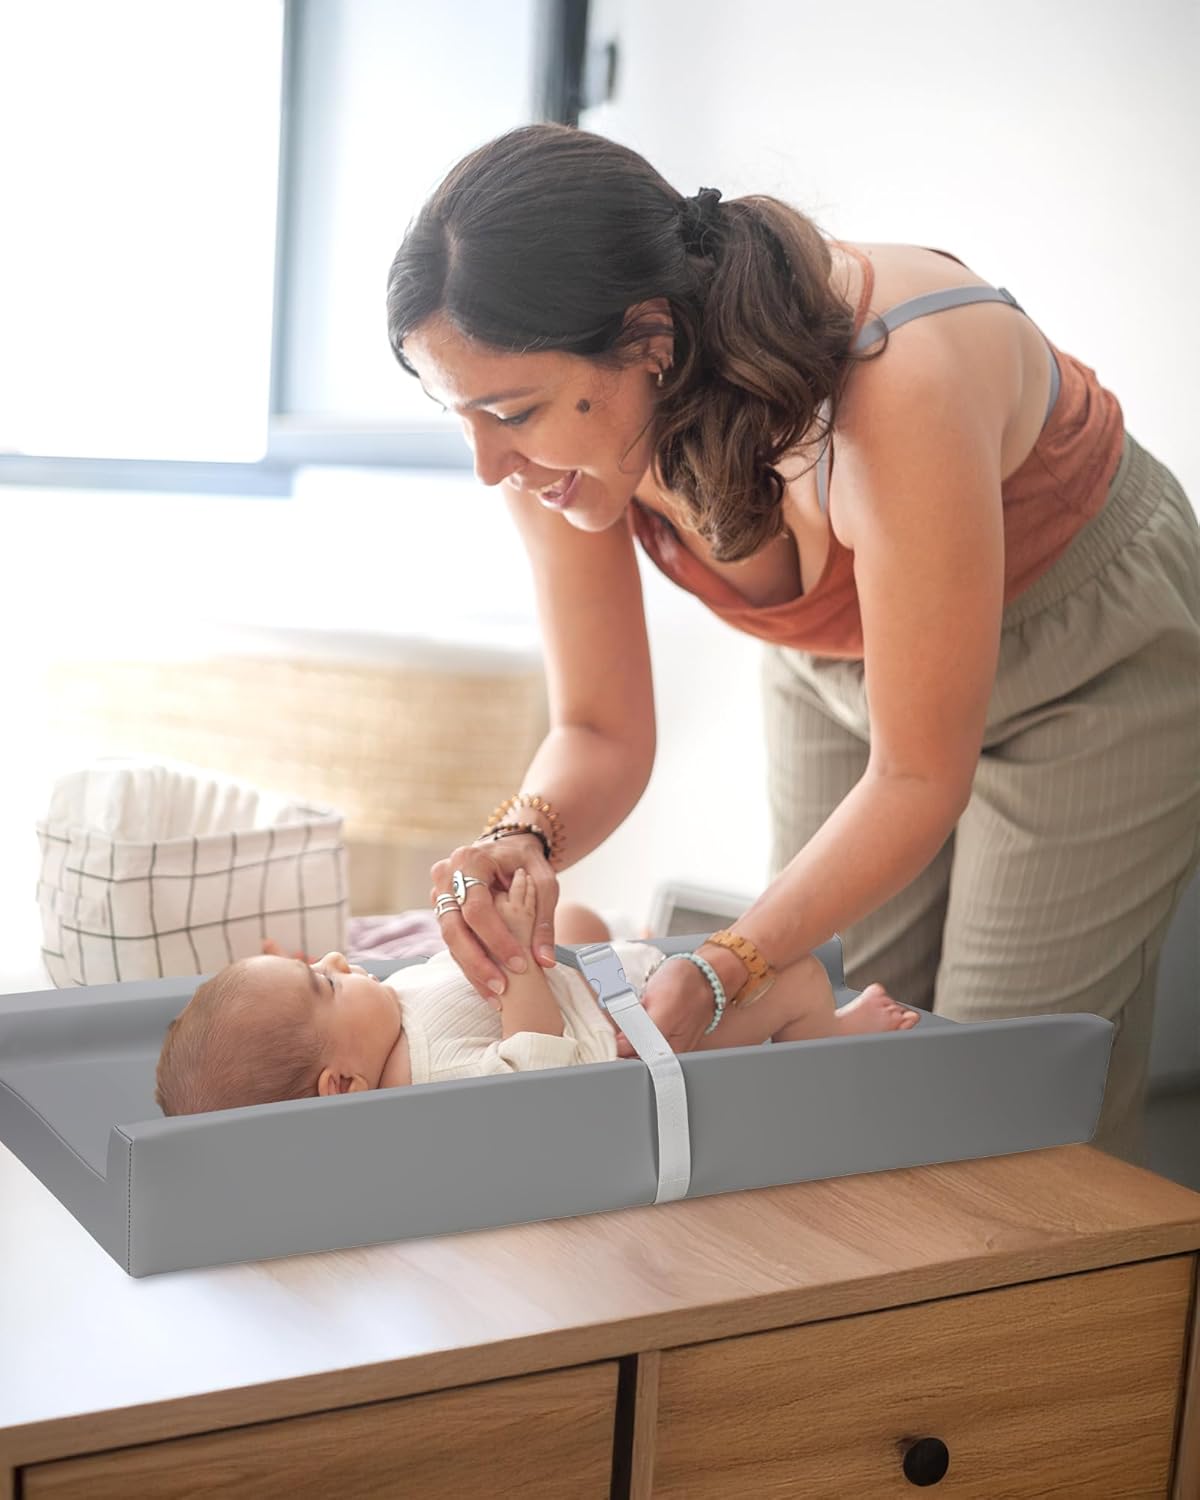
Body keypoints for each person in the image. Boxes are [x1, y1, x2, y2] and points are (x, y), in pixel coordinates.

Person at [386, 123, 1200, 1168]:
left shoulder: (897, 382)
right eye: (460, 415)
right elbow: (598, 729)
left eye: (511, 411)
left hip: (1083, 651)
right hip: (838, 666)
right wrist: (523, 840)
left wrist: (724, 965)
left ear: (649, 340)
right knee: (836, 1057)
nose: (488, 463)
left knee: (999, 1109)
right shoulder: (563, 447)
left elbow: (916, 775)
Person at [153, 870, 917, 1116]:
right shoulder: (423, 1076)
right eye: (324, 983)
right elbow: (535, 1066)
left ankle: (645, 943)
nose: (334, 959)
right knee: (799, 977)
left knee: (581, 918)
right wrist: (518, 961)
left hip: (605, 989)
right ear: (341, 1083)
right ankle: (832, 1042)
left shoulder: (383, 1018)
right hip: (642, 1040)